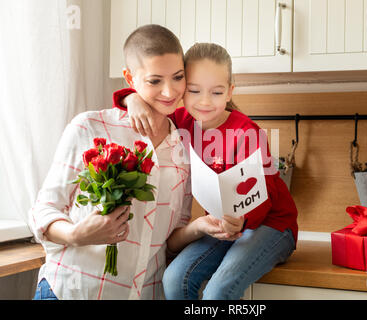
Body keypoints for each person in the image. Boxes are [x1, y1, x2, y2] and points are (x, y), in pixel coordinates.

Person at [112, 42, 298, 300]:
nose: (204, 102)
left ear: (230, 91)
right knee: (174, 278)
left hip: (271, 226)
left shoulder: (248, 133)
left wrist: (242, 219)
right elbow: (146, 98)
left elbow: (261, 199)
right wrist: (130, 98)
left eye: (216, 92)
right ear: (182, 91)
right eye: (194, 91)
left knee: (217, 292)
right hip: (224, 224)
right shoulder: (182, 120)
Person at [30, 24, 201, 300]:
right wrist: (76, 234)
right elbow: (44, 210)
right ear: (129, 79)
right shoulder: (90, 127)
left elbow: (173, 235)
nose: (170, 91)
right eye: (154, 81)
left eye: (178, 77)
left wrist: (206, 229)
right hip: (71, 291)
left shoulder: (184, 147)